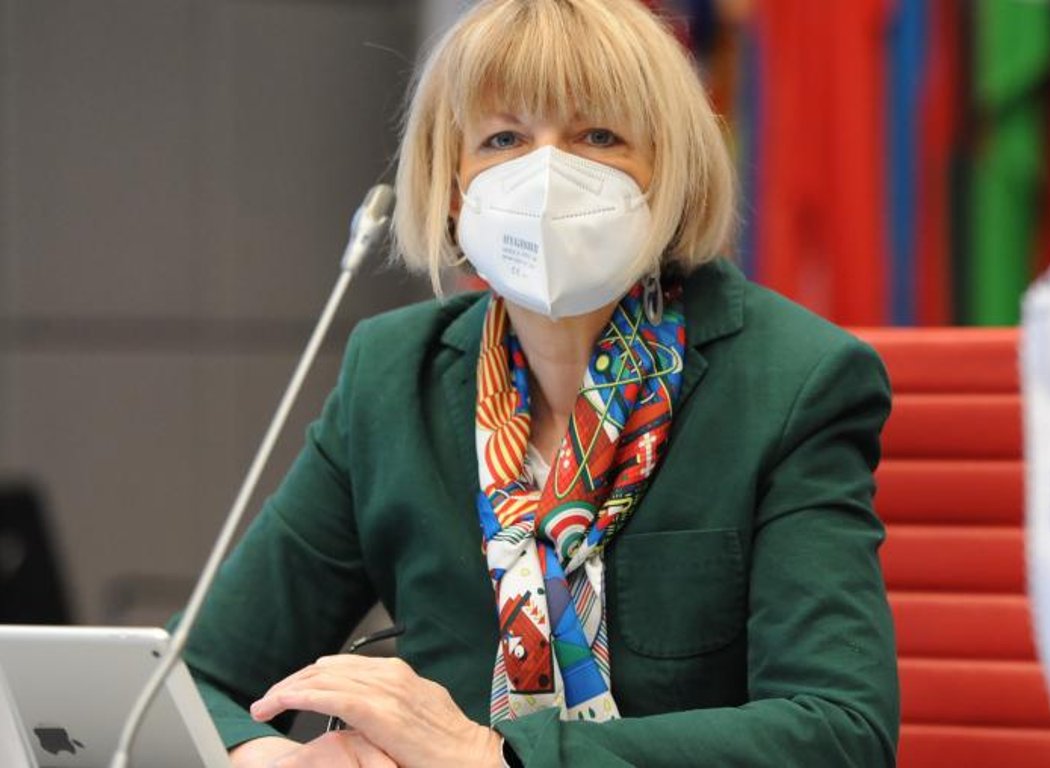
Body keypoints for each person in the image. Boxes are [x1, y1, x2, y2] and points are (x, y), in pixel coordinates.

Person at [184, 0, 899, 765]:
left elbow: (839, 732)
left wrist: (493, 757)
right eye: (503, 139)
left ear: (670, 171)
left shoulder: (794, 380)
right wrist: (274, 760)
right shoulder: (392, 377)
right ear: (453, 187)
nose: (547, 174)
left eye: (599, 136)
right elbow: (189, 679)